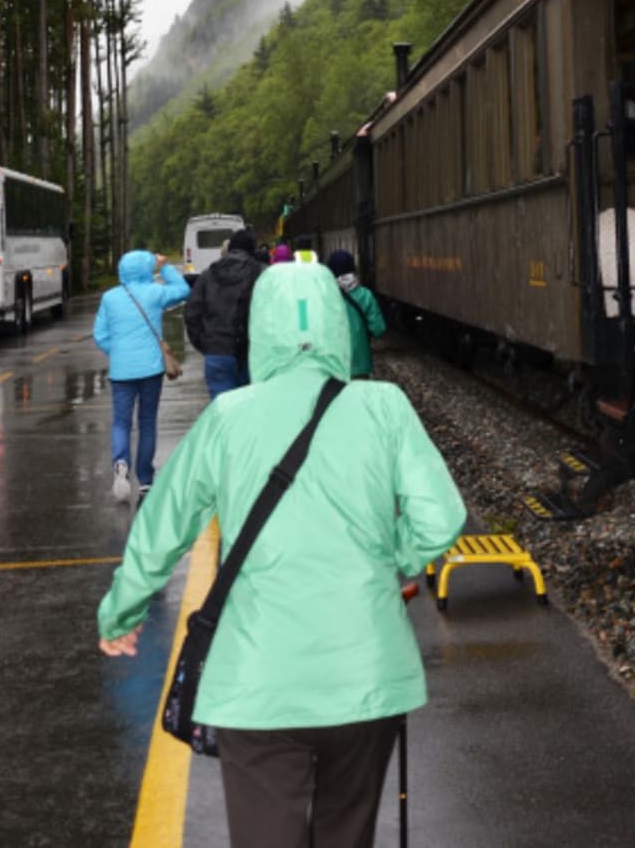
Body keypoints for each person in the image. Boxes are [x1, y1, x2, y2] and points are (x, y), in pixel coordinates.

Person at [97, 260, 466, 848]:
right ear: (335, 328)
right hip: (365, 677)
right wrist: (390, 557)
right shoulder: (384, 407)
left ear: (259, 330)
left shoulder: (226, 418)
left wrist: (121, 612)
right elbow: (441, 517)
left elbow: (161, 529)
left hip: (256, 685)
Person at [93, 249, 189, 502]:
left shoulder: (110, 298)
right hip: (150, 369)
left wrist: (118, 353)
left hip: (121, 371)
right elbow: (182, 290)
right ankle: (145, 479)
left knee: (121, 422)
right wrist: (165, 267)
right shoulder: (155, 293)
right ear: (147, 269)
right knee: (147, 422)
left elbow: (100, 334)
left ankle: (121, 463)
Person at [184, 227, 263, 400]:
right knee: (247, 409)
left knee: (221, 412)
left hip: (217, 352)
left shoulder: (208, 274)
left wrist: (206, 344)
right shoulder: (260, 273)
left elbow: (192, 313)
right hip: (251, 352)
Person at [326, 249, 386, 379]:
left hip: (332, 365)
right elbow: (378, 329)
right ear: (353, 270)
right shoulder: (366, 295)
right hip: (360, 366)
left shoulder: (324, 297)